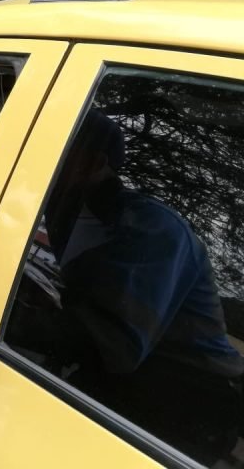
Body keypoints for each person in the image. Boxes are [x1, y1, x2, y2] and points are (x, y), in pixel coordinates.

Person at [43, 109, 244, 463]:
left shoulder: (151, 228)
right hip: (140, 376)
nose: (47, 160)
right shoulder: (75, 206)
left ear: (94, 163)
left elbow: (116, 344)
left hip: (192, 397)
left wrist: (18, 318)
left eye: (59, 150)